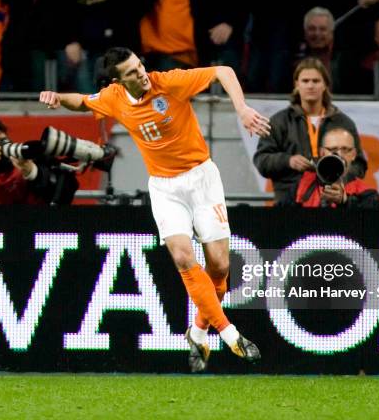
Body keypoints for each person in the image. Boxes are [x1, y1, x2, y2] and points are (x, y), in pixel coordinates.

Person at [39, 47, 270, 372]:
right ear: (118, 81)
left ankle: (199, 329)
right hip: (164, 188)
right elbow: (83, 101)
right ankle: (229, 333)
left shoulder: (169, 82)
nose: (141, 73)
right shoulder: (114, 97)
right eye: (132, 72)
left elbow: (223, 71)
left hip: (202, 178)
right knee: (182, 256)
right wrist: (57, 97)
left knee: (218, 268)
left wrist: (242, 108)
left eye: (140, 66)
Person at [253, 57, 367, 206]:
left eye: (316, 81)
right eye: (305, 81)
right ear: (296, 85)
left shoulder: (343, 122)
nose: (310, 86)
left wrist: (339, 175)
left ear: (325, 85)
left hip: (333, 201)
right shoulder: (279, 121)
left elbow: (359, 165)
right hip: (289, 202)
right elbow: (261, 160)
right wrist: (288, 161)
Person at [295, 128, 379, 208]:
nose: (339, 155)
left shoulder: (367, 193)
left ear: (353, 154)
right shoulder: (300, 183)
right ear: (322, 152)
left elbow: (367, 212)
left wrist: (345, 201)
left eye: (345, 149)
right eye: (332, 149)